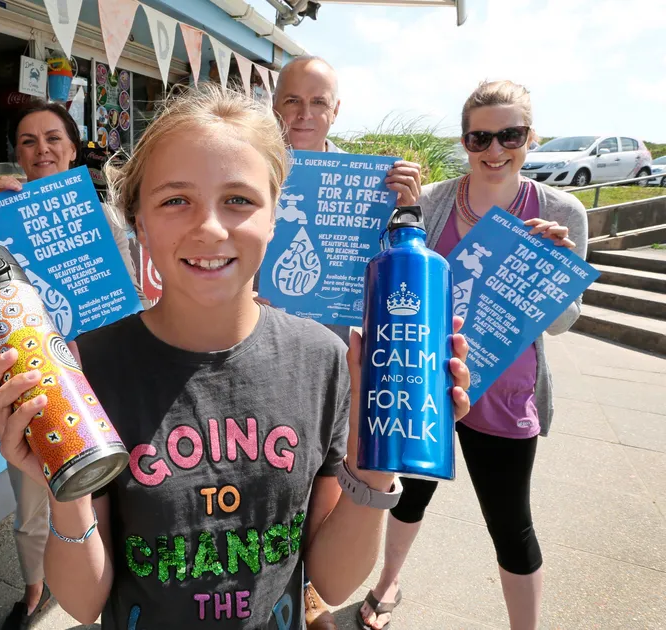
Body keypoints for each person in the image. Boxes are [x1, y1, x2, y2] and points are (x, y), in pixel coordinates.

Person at [0, 84, 473, 629]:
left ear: (275, 215)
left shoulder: (323, 362)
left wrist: (374, 457)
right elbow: (84, 602)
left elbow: (331, 581)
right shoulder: (87, 370)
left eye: (238, 199)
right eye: (174, 200)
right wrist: (60, 480)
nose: (209, 227)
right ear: (138, 219)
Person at [357, 80, 587, 630]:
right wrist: (397, 205)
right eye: (479, 137)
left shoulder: (562, 211)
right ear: (464, 141)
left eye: (510, 134)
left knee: (511, 523)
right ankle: (387, 584)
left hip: (505, 391)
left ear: (531, 136)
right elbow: (387, 272)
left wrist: (550, 272)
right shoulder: (434, 201)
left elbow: (559, 324)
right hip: (425, 384)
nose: (494, 150)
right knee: (408, 496)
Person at [270, 53, 426, 630]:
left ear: (336, 110)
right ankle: (279, 581)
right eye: (292, 99)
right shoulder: (254, 167)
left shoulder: (372, 184)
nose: (304, 112)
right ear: (276, 104)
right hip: (265, 352)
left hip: (338, 362)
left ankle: (315, 591)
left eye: (318, 102)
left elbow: (404, 268)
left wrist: (407, 206)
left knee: (329, 478)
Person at [0, 99, 143, 630]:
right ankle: (33, 590)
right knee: (31, 496)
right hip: (32, 386)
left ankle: (106, 582)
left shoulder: (106, 218)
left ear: (73, 148)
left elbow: (132, 295)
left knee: (116, 489)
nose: (41, 149)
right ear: (17, 156)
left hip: (102, 377)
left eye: (53, 138)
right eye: (28, 141)